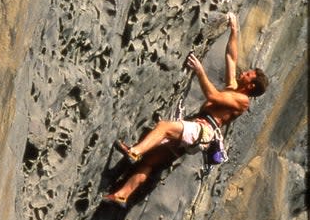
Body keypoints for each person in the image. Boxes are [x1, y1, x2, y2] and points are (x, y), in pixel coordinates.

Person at [103, 13, 269, 208]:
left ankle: (134, 151)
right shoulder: (234, 87)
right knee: (151, 161)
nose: (244, 72)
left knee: (164, 127)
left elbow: (213, 97)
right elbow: (231, 57)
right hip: (197, 131)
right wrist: (235, 30)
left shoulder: (242, 101)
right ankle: (122, 195)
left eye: (249, 75)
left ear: (250, 86)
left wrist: (200, 72)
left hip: (203, 130)